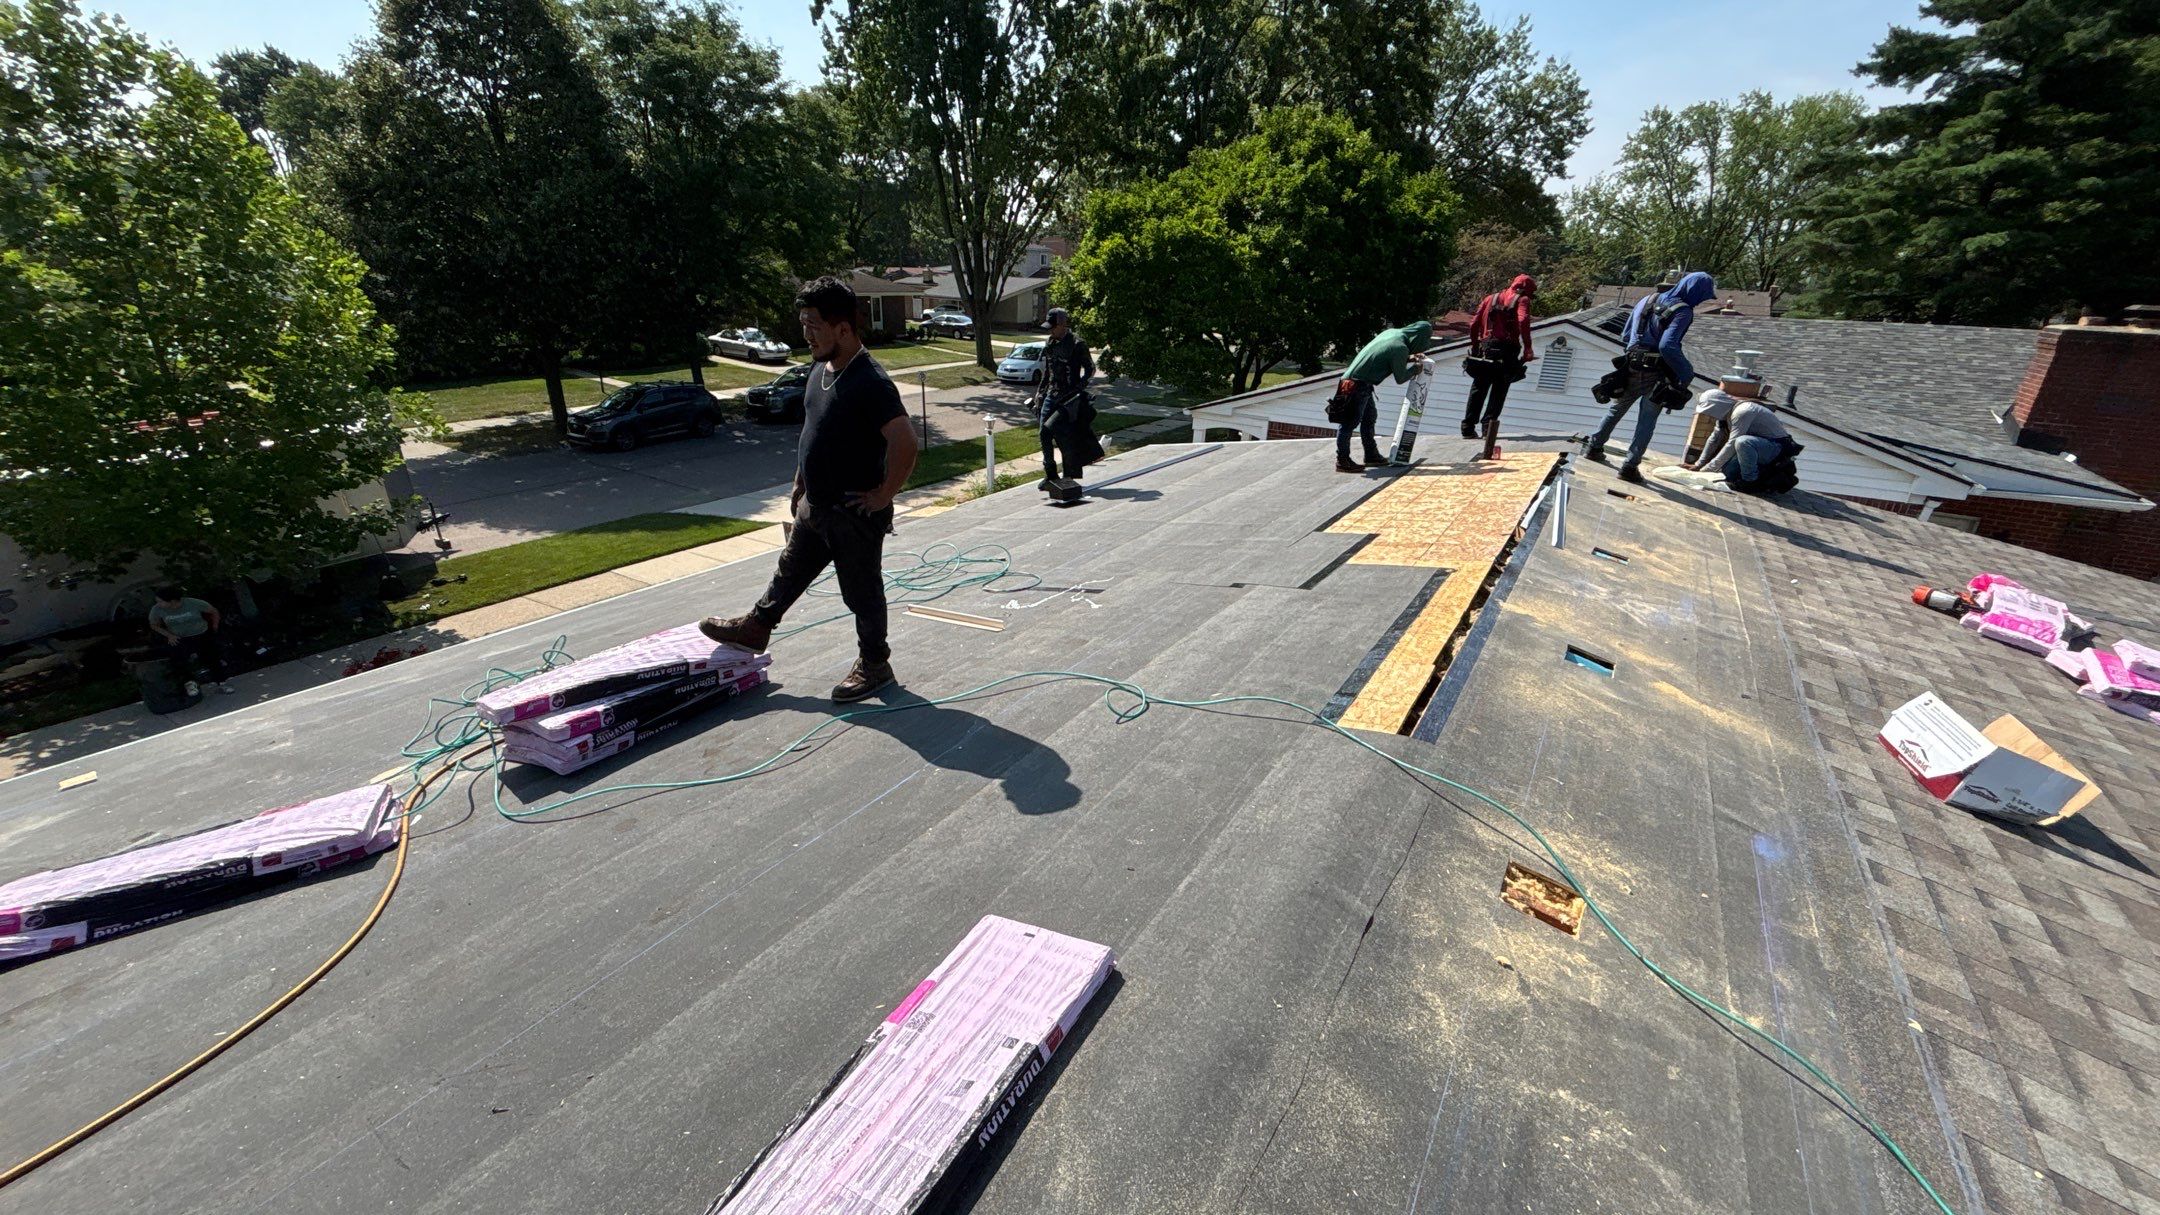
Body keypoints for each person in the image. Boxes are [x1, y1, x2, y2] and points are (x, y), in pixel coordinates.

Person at [699, 276, 920, 702]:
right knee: (789, 572)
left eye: (814, 325)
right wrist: (801, 479)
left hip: (854, 512)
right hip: (816, 506)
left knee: (863, 593)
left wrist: (884, 494)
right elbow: (813, 428)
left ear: (843, 328)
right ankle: (755, 629)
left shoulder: (870, 381)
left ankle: (875, 663)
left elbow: (905, 442)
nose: (806, 334)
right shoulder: (820, 370)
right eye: (803, 324)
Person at [1584, 271, 1717, 483]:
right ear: (1695, 292)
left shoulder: (1648, 300)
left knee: (1617, 408)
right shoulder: (1683, 311)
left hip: (1632, 365)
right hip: (1655, 372)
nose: (1702, 301)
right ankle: (1629, 466)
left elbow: (1626, 335)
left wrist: (1635, 354)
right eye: (1703, 296)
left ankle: (1593, 447)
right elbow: (1668, 346)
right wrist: (1686, 373)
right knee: (1647, 419)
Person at [1331, 320, 1435, 473]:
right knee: (1349, 423)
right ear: (1418, 337)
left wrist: (1410, 357)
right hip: (1357, 385)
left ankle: (1371, 455)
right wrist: (1415, 369)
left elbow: (1387, 354)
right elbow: (1400, 377)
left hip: (1358, 382)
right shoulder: (1400, 347)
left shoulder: (1392, 334)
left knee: (1369, 418)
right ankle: (1342, 461)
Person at [1684, 388, 1803, 494]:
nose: (1709, 414)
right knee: (1728, 474)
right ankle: (1746, 478)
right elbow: (1714, 439)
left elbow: (1732, 443)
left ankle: (1750, 482)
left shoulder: (1743, 411)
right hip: (1759, 446)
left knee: (1743, 442)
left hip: (1776, 448)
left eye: (1709, 410)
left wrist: (1707, 470)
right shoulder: (1724, 416)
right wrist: (1698, 465)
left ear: (1718, 406)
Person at [1462, 275, 1537, 439]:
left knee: (1479, 387)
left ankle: (1467, 427)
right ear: (1525, 290)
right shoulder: (1522, 299)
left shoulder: (1490, 298)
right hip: (1507, 349)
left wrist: (1475, 347)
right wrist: (1528, 348)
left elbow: (1474, 324)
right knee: (1499, 389)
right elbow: (1523, 319)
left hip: (1486, 346)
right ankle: (1488, 429)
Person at [1034, 307, 1100, 487]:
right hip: (1051, 395)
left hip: (1069, 399)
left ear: (1062, 325)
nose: (1050, 330)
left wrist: (1078, 389)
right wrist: (1040, 393)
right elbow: (1048, 371)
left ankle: (1069, 474)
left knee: (1059, 433)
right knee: (1043, 433)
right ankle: (1051, 474)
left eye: (1053, 326)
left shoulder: (1077, 344)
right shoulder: (1051, 343)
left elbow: (1090, 370)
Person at [148, 586, 233, 693]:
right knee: (179, 661)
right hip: (179, 637)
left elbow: (213, 611)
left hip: (200, 633)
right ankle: (189, 683)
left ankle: (221, 682)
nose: (159, 604)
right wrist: (169, 635)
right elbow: (154, 625)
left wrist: (214, 626)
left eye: (161, 601)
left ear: (172, 601)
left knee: (211, 658)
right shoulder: (157, 609)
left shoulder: (193, 603)